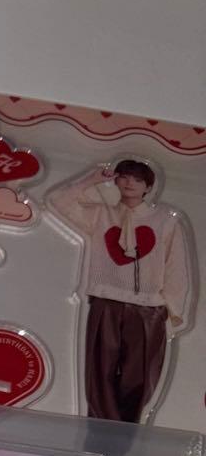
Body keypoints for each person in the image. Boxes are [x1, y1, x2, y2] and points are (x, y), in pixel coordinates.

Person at [48, 159, 193, 423]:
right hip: (106, 302)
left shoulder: (165, 220)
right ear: (115, 180)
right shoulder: (101, 215)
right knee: (99, 372)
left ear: (148, 187)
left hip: (148, 308)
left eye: (137, 179)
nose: (129, 183)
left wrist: (173, 311)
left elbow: (176, 267)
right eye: (124, 177)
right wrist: (91, 180)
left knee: (139, 376)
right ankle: (100, 431)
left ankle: (127, 433)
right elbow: (59, 201)